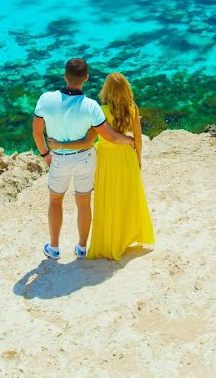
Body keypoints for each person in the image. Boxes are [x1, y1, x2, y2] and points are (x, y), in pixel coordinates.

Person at [32, 58, 134, 261]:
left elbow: (37, 133)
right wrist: (129, 140)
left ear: (65, 76)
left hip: (59, 159)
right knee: (83, 203)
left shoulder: (46, 99)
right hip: (85, 159)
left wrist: (45, 155)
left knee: (55, 201)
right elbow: (110, 136)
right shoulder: (91, 106)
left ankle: (53, 247)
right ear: (86, 78)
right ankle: (81, 247)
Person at [48, 72, 154, 261]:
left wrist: (60, 145)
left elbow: (87, 141)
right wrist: (138, 160)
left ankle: (109, 242)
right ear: (126, 89)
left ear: (106, 90)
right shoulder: (133, 108)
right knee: (126, 200)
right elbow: (138, 139)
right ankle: (125, 238)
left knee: (107, 201)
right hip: (127, 157)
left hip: (105, 159)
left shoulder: (101, 110)